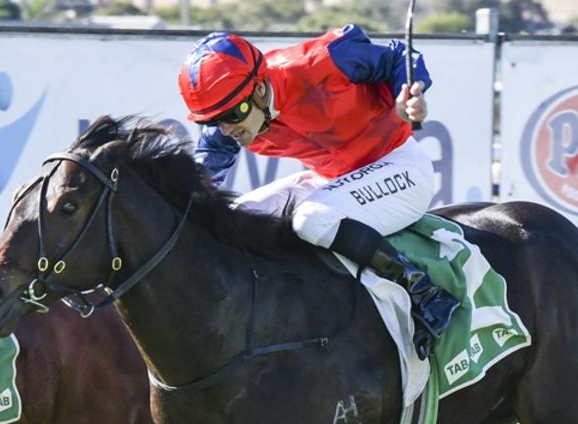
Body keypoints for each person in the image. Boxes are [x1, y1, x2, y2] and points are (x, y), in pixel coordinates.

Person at [178, 26, 460, 360]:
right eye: (213, 121)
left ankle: (423, 291)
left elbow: (401, 55)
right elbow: (196, 190)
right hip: (334, 180)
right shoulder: (225, 127)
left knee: (311, 220)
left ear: (258, 87)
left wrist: (410, 92)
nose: (227, 129)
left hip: (400, 166)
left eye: (232, 114)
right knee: (235, 219)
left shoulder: (323, 61)